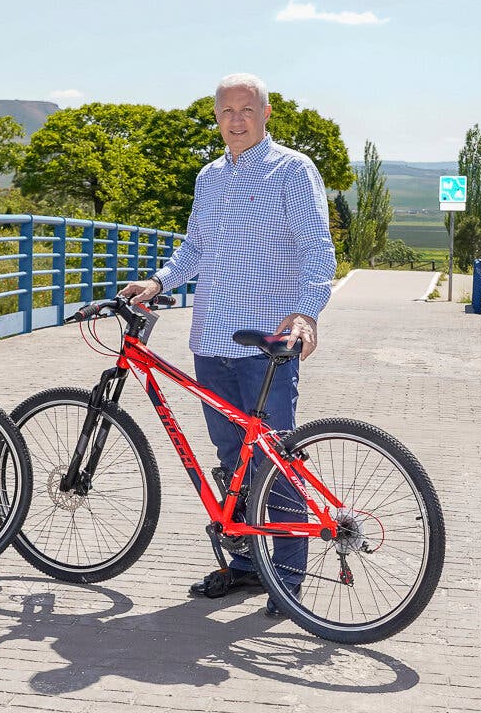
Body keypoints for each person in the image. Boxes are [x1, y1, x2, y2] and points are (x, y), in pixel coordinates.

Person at [122, 72, 335, 616]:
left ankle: (287, 579)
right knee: (229, 458)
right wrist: (159, 282)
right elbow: (194, 248)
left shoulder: (293, 170)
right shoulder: (210, 177)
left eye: (246, 110)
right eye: (225, 111)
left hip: (266, 341)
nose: (236, 120)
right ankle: (246, 566)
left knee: (274, 460)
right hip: (212, 335)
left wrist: (307, 314)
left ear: (266, 114)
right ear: (216, 118)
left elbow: (318, 250)